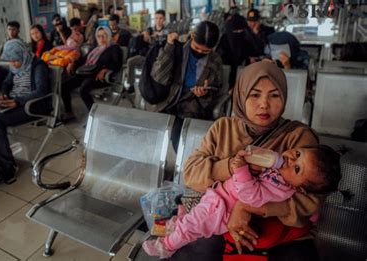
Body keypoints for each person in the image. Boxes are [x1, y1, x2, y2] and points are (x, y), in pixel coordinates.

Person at [167, 61, 322, 260]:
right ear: (240, 95)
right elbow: (192, 173)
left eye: (274, 95)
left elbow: (311, 199)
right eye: (255, 94)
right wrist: (231, 167)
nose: (264, 104)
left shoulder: (298, 137)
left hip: (279, 232)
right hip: (218, 220)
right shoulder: (222, 128)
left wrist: (250, 207)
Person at [143, 145, 341, 258]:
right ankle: (176, 224)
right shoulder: (280, 173)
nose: (290, 160)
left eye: (297, 168)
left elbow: (251, 197)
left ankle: (166, 246)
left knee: (192, 227)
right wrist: (255, 159)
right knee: (193, 216)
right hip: (219, 195)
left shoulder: (281, 190)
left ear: (299, 188)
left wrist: (240, 170)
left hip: (222, 212)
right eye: (297, 154)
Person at [0, 39, 51, 184]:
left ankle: (8, 166)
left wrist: (17, 101)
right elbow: (6, 84)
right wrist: (3, 94)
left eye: (16, 60)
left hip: (32, 105)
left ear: (23, 54)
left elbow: (41, 91)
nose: (13, 64)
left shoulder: (38, 66)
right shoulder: (14, 68)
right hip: (14, 102)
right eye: (10, 61)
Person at [149, 21, 223, 149]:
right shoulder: (178, 47)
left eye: (205, 51)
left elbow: (215, 92)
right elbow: (159, 76)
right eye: (196, 48)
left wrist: (204, 94)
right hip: (168, 100)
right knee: (154, 133)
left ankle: (184, 166)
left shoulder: (215, 61)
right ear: (192, 37)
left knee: (181, 137)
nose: (200, 52)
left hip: (192, 106)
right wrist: (169, 47)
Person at [60, 26, 122, 121]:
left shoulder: (114, 48)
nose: (102, 38)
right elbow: (84, 62)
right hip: (86, 74)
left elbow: (117, 64)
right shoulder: (94, 49)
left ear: (109, 36)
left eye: (104, 35)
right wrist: (72, 62)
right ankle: (69, 112)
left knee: (84, 89)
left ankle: (94, 117)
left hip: (100, 77)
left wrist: (106, 69)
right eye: (99, 36)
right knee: (64, 86)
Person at [126, 9, 167, 89]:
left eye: (160, 18)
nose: (158, 20)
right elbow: (146, 33)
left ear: (164, 19)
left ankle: (149, 85)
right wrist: (146, 34)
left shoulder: (167, 30)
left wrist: (158, 35)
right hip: (146, 56)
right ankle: (131, 84)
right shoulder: (150, 29)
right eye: (156, 18)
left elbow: (166, 34)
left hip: (159, 58)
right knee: (130, 61)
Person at [217, 14, 259, 88]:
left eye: (241, 31)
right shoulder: (221, 49)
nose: (238, 33)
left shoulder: (249, 41)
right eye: (235, 31)